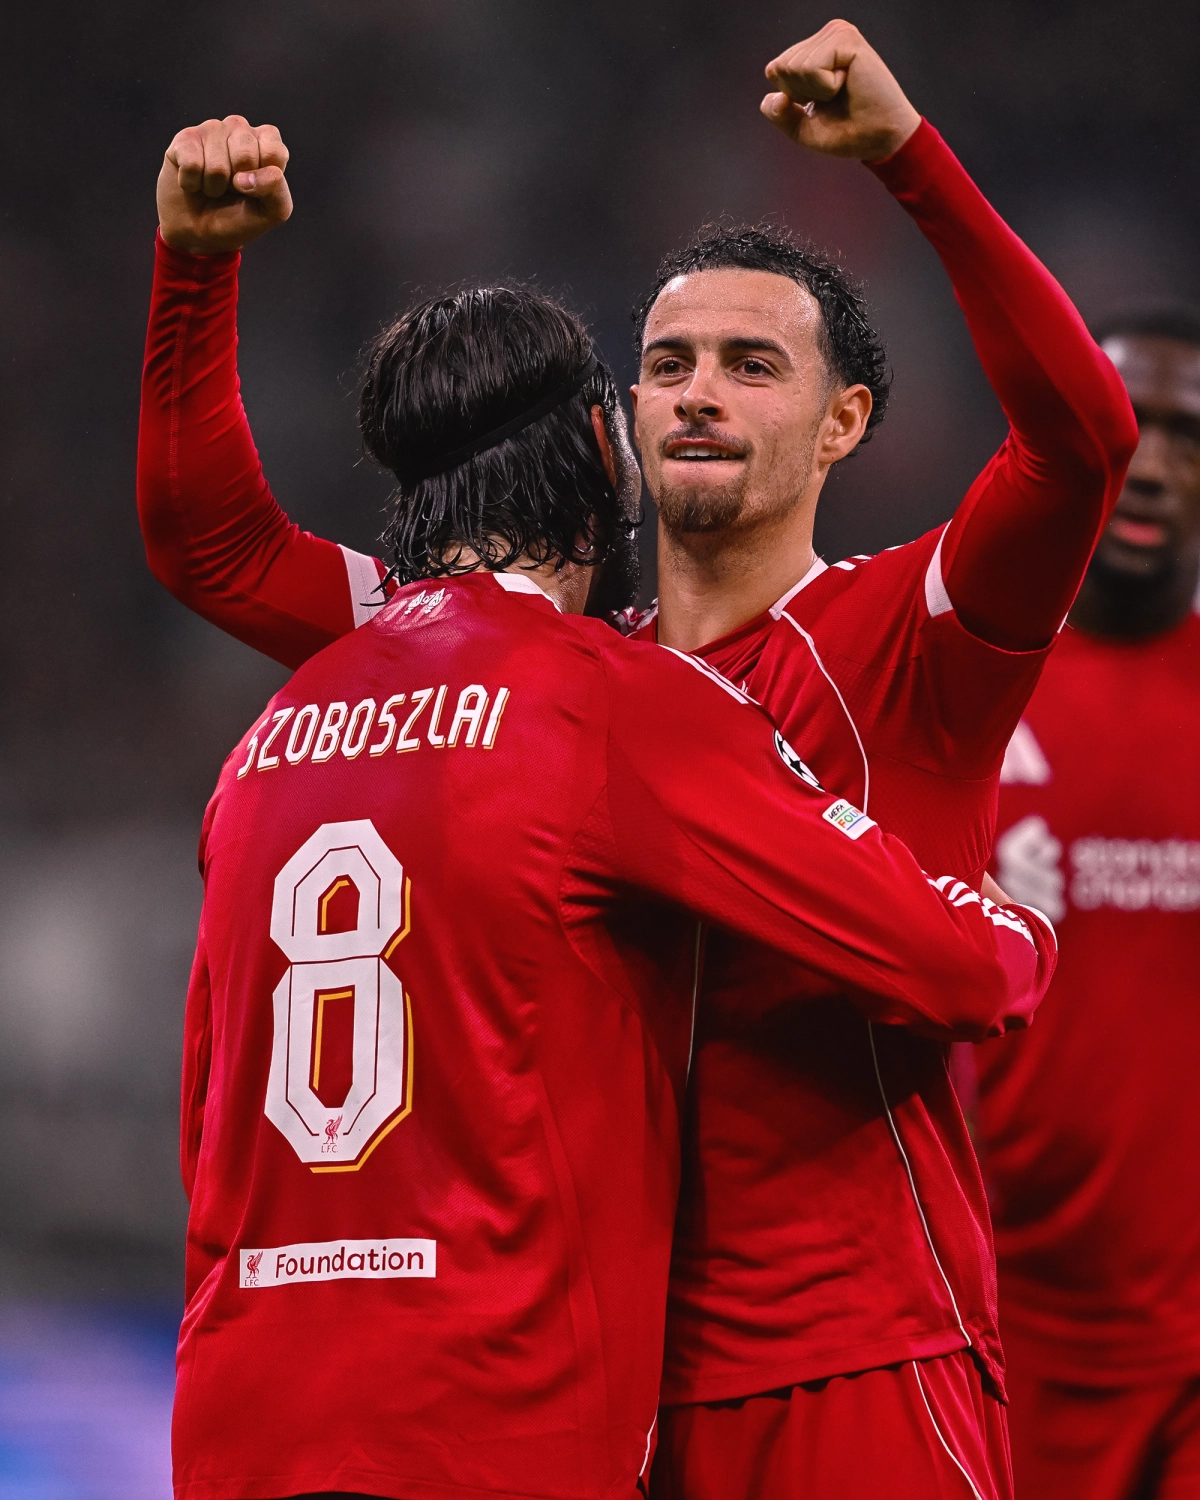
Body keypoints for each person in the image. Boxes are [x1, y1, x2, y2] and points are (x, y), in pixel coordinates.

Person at [139, 22, 1136, 1499]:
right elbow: (217, 546)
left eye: (751, 364)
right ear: (617, 426)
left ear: (845, 422)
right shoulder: (549, 676)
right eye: (666, 363)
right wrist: (195, 267)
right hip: (609, 1383)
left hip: (850, 1359)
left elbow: (1081, 443)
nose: (698, 392)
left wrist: (909, 163)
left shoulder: (911, 629)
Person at [973, 311, 1200, 1500]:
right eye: (1124, 429)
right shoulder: (964, 691)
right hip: (1009, 1330)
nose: (1151, 464)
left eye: (1187, 435)